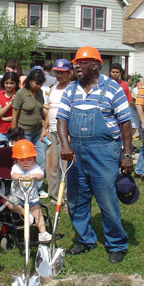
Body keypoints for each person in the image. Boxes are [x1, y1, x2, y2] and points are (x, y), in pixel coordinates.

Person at [57, 46, 133, 264]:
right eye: (76, 63)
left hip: (104, 151)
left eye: (82, 63)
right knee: (76, 199)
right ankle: (85, 239)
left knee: (106, 199)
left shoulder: (113, 89)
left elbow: (125, 123)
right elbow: (61, 119)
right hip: (76, 154)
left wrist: (127, 153)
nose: (77, 66)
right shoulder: (70, 90)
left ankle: (116, 243)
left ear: (96, 65)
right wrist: (65, 145)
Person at [40, 59, 72, 209]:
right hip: (51, 132)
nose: (58, 75)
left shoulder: (72, 89)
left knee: (66, 167)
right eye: (57, 72)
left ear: (69, 73)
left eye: (62, 73)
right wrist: (44, 129)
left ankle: (67, 199)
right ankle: (53, 197)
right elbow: (50, 110)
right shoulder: (53, 88)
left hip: (66, 134)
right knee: (52, 166)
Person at [12, 68, 48, 198]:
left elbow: (41, 110)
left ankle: (38, 188)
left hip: (37, 132)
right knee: (24, 161)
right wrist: (15, 134)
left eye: (40, 84)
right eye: (36, 83)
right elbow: (15, 114)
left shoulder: (40, 94)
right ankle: (22, 186)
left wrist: (46, 125)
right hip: (24, 132)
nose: (38, 86)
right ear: (30, 81)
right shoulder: (21, 93)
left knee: (41, 158)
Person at [7, 139, 52, 242]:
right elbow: (13, 176)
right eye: (22, 160)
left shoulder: (35, 168)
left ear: (34, 159)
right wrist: (21, 176)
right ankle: (26, 214)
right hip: (18, 197)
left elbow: (40, 176)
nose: (26, 162)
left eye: (29, 159)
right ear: (16, 160)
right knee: (10, 203)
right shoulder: (16, 168)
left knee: (38, 213)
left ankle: (43, 232)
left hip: (32, 198)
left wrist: (34, 176)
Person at [0, 71, 19, 145]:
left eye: (11, 83)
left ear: (16, 83)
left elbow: (20, 116)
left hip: (15, 131)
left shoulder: (19, 95)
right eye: (7, 83)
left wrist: (5, 118)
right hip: (1, 132)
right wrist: (10, 103)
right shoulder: (0, 96)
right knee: (2, 153)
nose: (9, 85)